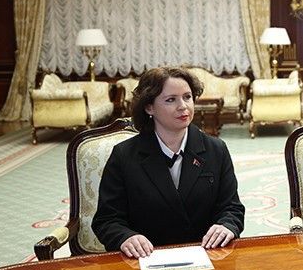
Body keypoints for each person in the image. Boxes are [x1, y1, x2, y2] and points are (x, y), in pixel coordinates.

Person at [92, 66, 245, 258]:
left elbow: (232, 208)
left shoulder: (216, 149)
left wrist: (226, 225)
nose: (183, 106)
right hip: (146, 258)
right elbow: (107, 219)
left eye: (187, 97)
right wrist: (125, 237)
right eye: (171, 100)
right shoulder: (124, 155)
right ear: (149, 107)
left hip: (206, 255)